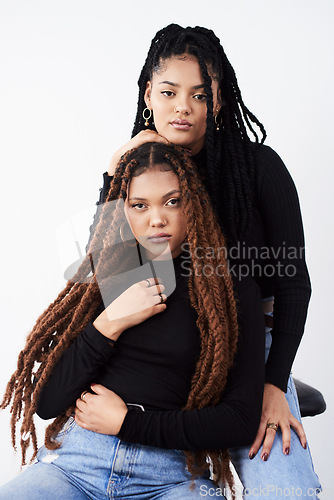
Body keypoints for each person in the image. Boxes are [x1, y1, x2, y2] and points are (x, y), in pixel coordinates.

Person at [88, 24, 321, 498]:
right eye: (170, 92)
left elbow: (294, 286)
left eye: (199, 94)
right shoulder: (139, 174)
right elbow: (110, 276)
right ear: (148, 94)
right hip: (165, 348)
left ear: (217, 98)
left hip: (251, 346)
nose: (183, 107)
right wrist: (114, 174)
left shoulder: (259, 168)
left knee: (287, 493)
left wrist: (272, 385)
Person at [0, 142, 265, 499]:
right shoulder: (113, 269)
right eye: (139, 205)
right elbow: (47, 403)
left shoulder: (229, 288)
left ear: (195, 203)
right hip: (76, 464)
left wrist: (129, 423)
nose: (157, 219)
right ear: (124, 211)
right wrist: (110, 322)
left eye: (173, 201)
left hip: (171, 476)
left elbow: (239, 420)